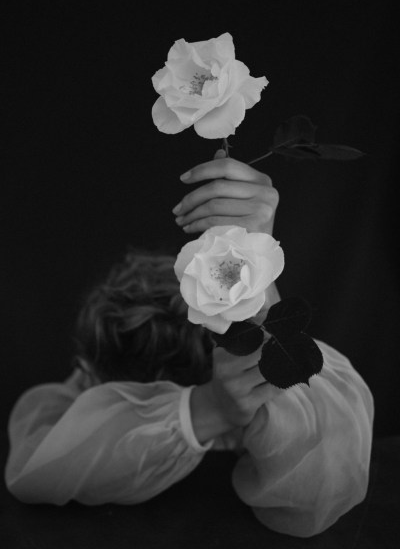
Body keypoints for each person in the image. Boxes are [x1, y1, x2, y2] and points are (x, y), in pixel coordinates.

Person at [4, 149, 374, 538]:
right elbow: (36, 471)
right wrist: (209, 408)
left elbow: (322, 489)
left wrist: (256, 275)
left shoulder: (275, 404)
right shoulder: (73, 404)